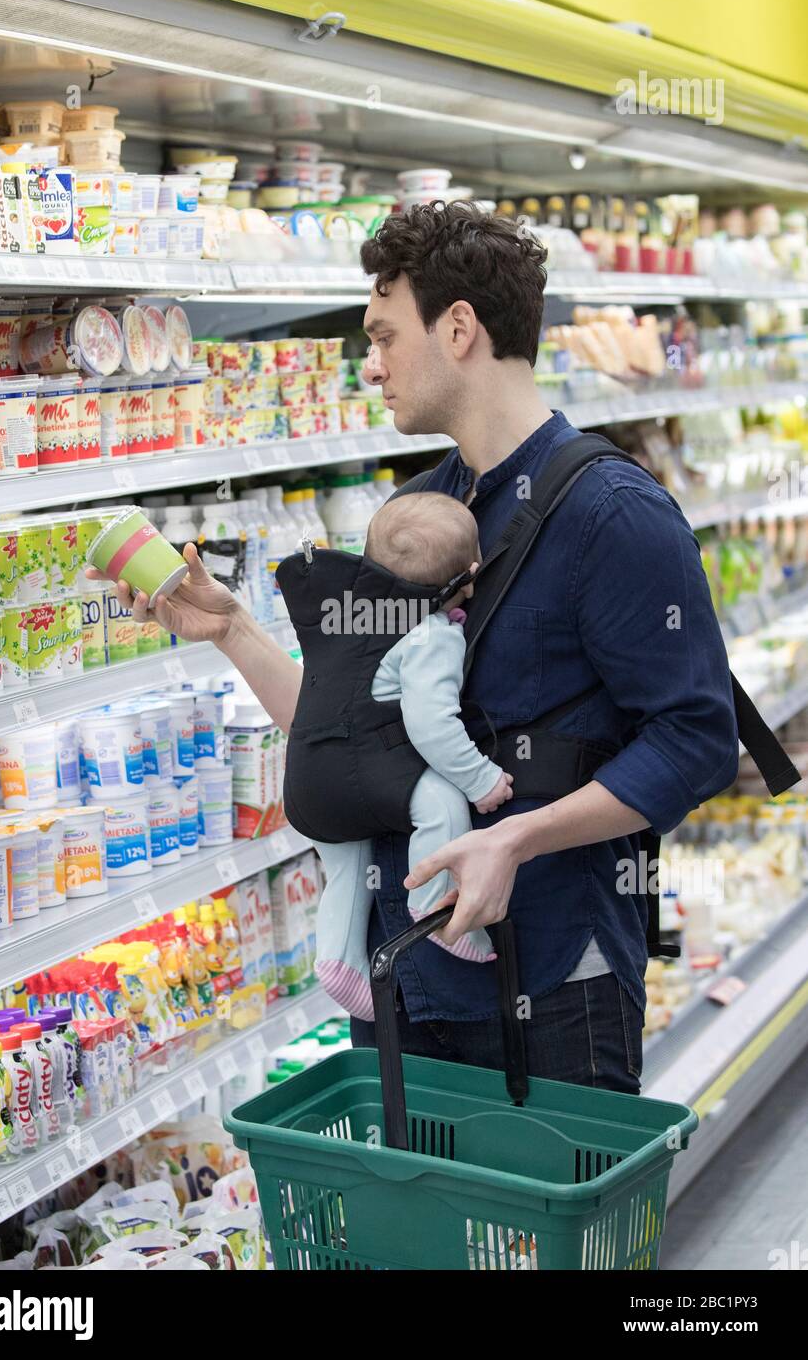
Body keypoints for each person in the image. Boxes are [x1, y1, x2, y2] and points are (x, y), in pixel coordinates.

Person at [88, 201, 740, 1094]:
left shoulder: (613, 513)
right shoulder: (420, 512)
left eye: (385, 335)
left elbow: (695, 741)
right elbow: (353, 727)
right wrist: (232, 629)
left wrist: (516, 838)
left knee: (539, 1233)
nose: (373, 364)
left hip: (551, 976)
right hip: (401, 979)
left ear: (460, 329)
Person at [303, 490, 514, 1021]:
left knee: (348, 872)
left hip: (309, 776)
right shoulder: (432, 635)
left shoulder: (349, 616)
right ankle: (434, 905)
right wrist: (481, 780)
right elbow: (430, 724)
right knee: (441, 799)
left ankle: (337, 960)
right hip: (367, 772)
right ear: (471, 573)